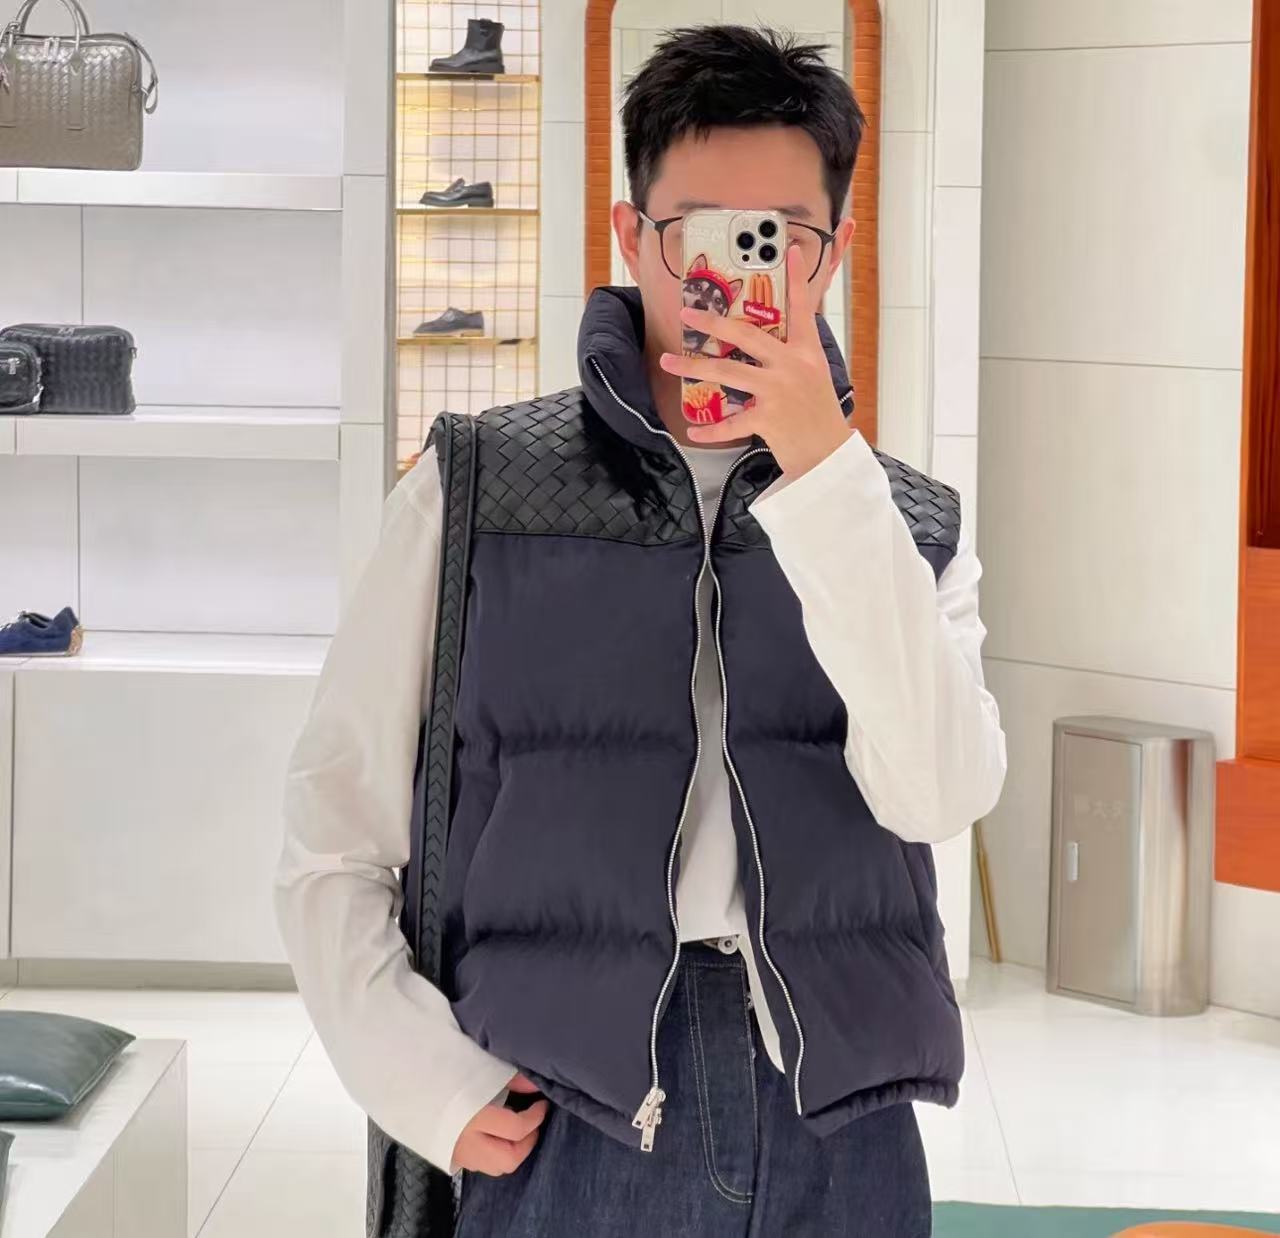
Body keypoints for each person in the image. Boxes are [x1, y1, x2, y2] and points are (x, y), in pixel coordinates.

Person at [273, 23, 1007, 1238]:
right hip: (567, 1111)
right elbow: (332, 833)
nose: (732, 275)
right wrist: (422, 1078)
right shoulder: (476, 489)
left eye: (779, 236)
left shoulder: (907, 523)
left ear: (829, 254)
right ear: (631, 236)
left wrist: (825, 475)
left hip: (842, 1122)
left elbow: (937, 791)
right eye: (696, 233)